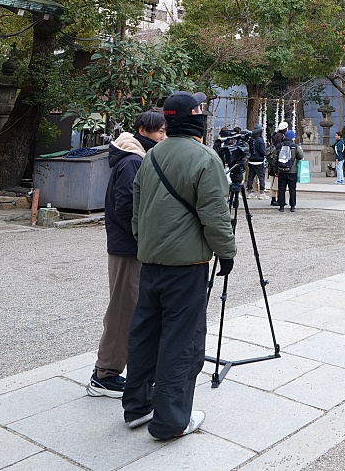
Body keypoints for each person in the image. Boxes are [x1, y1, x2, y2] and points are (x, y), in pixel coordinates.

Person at [123, 91, 236, 441]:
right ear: (194, 118)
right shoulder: (205, 158)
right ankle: (171, 420)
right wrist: (227, 253)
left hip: (151, 259)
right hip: (187, 263)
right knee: (181, 340)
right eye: (202, 110)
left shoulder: (152, 155)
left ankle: (137, 406)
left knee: (145, 333)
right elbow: (216, 217)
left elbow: (137, 212)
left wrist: (147, 245)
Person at [88, 110, 166, 398]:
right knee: (122, 309)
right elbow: (126, 206)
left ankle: (114, 369)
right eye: (159, 131)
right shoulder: (133, 160)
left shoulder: (133, 156)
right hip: (128, 247)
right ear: (143, 130)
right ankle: (105, 374)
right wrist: (143, 235)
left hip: (129, 245)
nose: (163, 136)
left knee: (129, 307)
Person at [274, 128, 303, 212]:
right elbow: (300, 156)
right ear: (292, 137)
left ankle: (281, 206)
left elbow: (275, 159)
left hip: (281, 170)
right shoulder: (294, 146)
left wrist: (276, 170)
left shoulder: (279, 145)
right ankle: (292, 206)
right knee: (292, 189)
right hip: (292, 171)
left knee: (281, 189)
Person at [246, 126, 266, 195]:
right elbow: (263, 152)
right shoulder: (260, 140)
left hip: (251, 160)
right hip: (259, 161)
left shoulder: (250, 139)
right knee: (261, 177)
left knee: (250, 177)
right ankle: (262, 193)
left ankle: (250, 191)